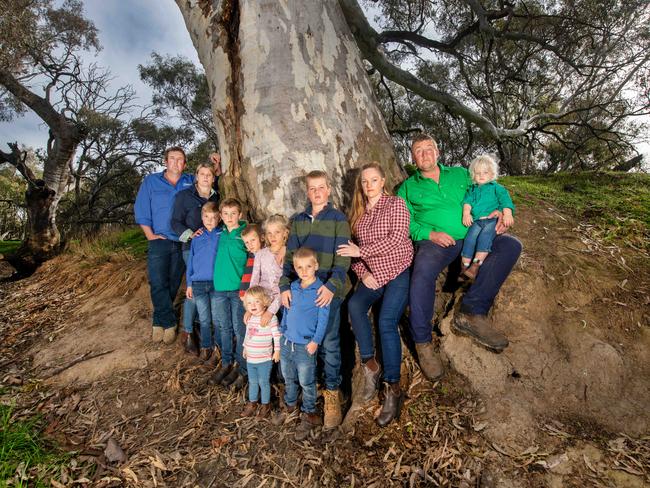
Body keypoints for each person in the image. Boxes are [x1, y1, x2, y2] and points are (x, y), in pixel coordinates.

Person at [397, 134, 522, 375]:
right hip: (437, 242)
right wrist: (429, 234)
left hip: (475, 234)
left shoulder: (461, 174)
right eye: (418, 151)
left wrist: (497, 212)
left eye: (429, 149)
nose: (424, 154)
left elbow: (488, 192)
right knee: (421, 271)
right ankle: (422, 342)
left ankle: (471, 312)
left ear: (438, 152)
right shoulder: (407, 187)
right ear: (412, 157)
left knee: (511, 246)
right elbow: (405, 223)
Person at [337, 163, 413, 427]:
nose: (368, 186)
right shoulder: (357, 213)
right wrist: (361, 270)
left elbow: (397, 239)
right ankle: (370, 365)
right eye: (364, 182)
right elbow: (351, 250)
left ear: (383, 181)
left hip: (398, 270)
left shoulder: (396, 205)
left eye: (374, 180)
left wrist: (362, 254)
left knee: (385, 321)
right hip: (373, 274)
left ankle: (393, 388)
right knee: (355, 306)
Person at [279, 171, 351, 430]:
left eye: (322, 187)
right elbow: (290, 258)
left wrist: (332, 286)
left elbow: (343, 259)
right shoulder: (298, 220)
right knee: (302, 343)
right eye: (312, 188)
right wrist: (285, 285)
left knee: (329, 342)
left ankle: (332, 394)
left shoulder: (338, 219)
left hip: (326, 290)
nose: (317, 192)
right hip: (300, 292)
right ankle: (305, 392)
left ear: (329, 189)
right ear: (307, 192)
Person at [134, 147, 194, 344]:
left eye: (180, 160)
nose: (176, 163)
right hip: (158, 240)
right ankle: (166, 322)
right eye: (172, 159)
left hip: (181, 240)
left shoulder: (190, 181)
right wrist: (149, 235)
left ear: (184, 164)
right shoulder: (152, 182)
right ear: (166, 162)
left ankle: (160, 321)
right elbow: (142, 209)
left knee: (173, 281)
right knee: (157, 281)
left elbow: (208, 180)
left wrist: (217, 167)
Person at [279, 248, 330, 441]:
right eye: (299, 267)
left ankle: (310, 413)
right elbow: (286, 311)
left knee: (306, 381)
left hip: (305, 345)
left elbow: (323, 320)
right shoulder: (292, 287)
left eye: (308, 267)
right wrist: (283, 331)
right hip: (287, 342)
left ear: (316, 266)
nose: (304, 271)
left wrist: (315, 341)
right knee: (288, 377)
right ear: (295, 268)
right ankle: (290, 405)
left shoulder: (320, 290)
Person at [171, 162, 220, 356]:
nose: (206, 177)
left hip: (213, 248)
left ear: (213, 178)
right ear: (196, 177)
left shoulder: (217, 197)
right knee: (194, 289)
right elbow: (174, 222)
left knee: (212, 286)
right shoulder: (184, 196)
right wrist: (190, 234)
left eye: (209, 174)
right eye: (202, 174)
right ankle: (189, 333)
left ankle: (205, 329)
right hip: (191, 247)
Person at [209, 198, 249, 389]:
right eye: (225, 214)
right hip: (219, 289)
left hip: (238, 291)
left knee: (239, 329)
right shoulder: (221, 233)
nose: (229, 217)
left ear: (240, 215)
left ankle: (241, 367)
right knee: (224, 328)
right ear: (221, 216)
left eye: (233, 214)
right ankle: (226, 362)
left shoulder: (244, 234)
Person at [460, 155, 515, 280]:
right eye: (477, 173)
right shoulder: (472, 190)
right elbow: (467, 203)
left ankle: (475, 266)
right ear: (473, 175)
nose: (481, 175)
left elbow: (505, 201)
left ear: (492, 174)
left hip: (491, 220)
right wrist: (466, 213)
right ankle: (464, 266)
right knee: (469, 239)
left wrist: (507, 213)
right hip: (477, 221)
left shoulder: (497, 188)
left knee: (485, 238)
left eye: (485, 172)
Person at [185, 202, 222, 362]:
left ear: (219, 218)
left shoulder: (222, 235)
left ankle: (217, 348)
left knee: (216, 318)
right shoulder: (197, 237)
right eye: (206, 217)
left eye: (214, 217)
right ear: (202, 217)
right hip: (198, 284)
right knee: (204, 319)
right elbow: (191, 262)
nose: (210, 220)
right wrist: (189, 284)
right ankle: (206, 347)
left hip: (216, 283)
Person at [241, 286, 281, 419]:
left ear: (264, 302)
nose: (253, 305)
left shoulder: (271, 318)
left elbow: (277, 335)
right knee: (252, 381)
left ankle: (265, 404)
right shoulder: (250, 318)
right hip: (251, 358)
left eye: (257, 301)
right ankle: (252, 403)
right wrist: (245, 348)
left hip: (264, 358)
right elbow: (248, 335)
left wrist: (277, 351)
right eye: (249, 302)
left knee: (263, 382)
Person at [249, 214, 289, 320]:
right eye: (269, 233)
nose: (273, 236)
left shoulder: (289, 253)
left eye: (277, 232)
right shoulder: (260, 254)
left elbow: (286, 282)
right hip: (262, 302)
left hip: (283, 302)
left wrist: (271, 311)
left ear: (285, 233)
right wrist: (249, 305)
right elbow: (254, 280)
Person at [240, 224, 263, 299]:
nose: (250, 245)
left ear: (261, 238)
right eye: (247, 242)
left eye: (253, 240)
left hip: (263, 295)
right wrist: (243, 292)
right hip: (251, 296)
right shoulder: (251, 256)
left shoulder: (267, 255)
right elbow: (247, 275)